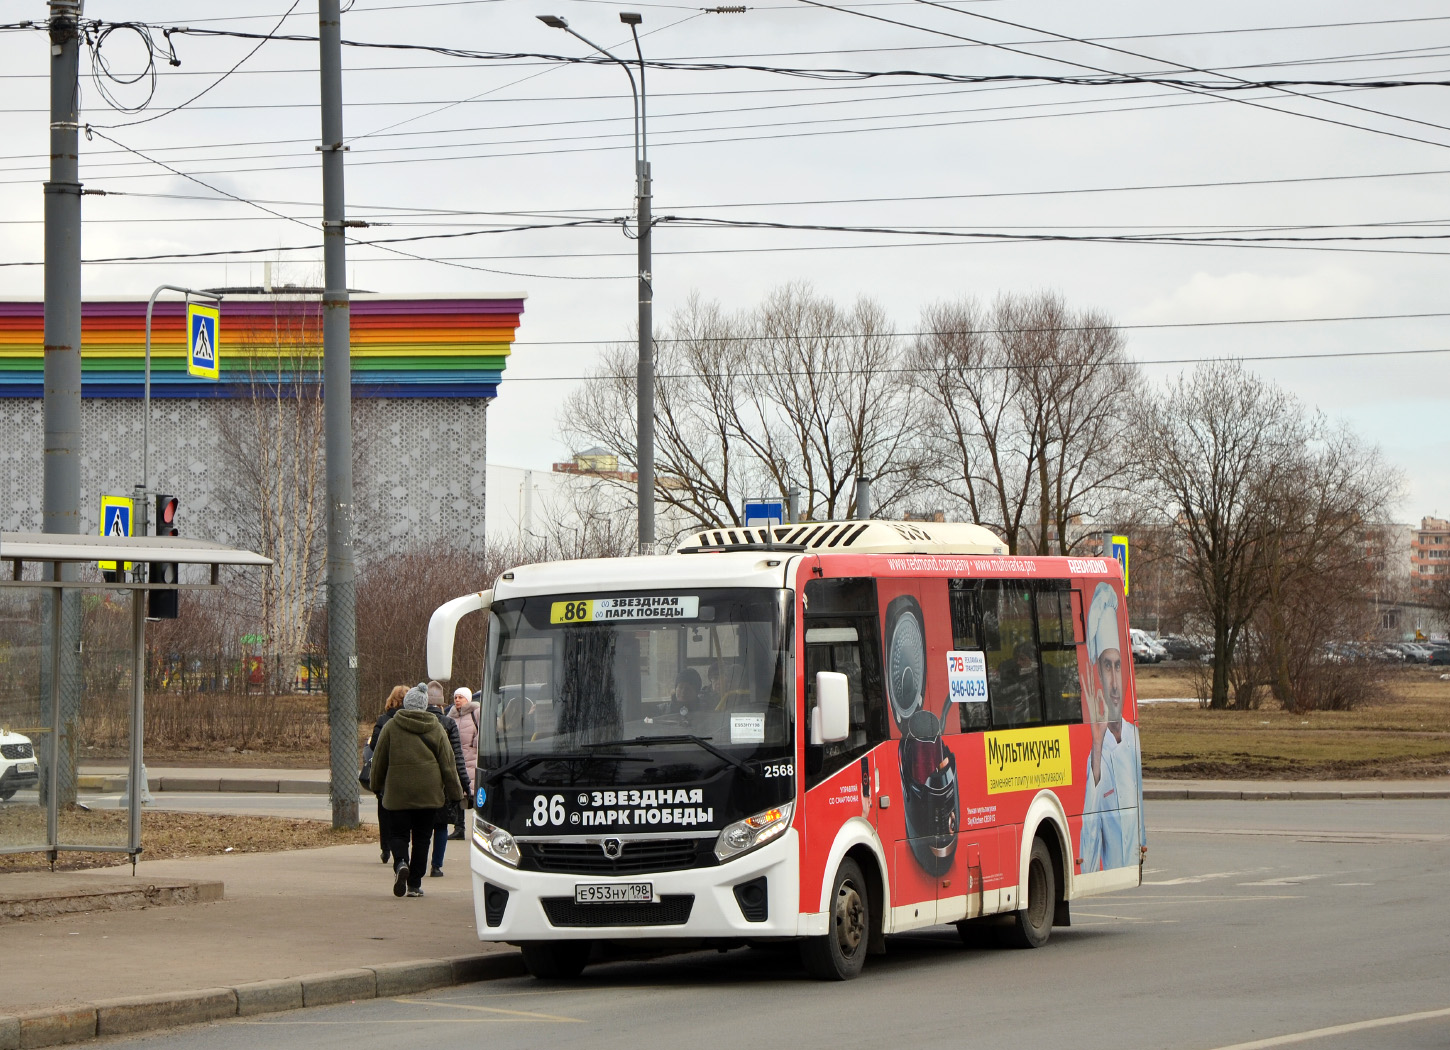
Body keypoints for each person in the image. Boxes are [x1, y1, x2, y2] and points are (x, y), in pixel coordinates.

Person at [369, 682, 464, 898]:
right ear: (424, 706)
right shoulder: (437, 728)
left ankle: (401, 862)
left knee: (398, 834)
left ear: (406, 704)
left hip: (397, 793)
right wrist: (456, 794)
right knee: (422, 838)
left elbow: (379, 761)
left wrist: (376, 785)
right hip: (428, 794)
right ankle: (414, 883)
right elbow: (448, 764)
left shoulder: (391, 727)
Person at [1079, 582, 1143, 873]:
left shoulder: (1132, 736)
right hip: (1114, 886)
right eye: (1107, 666)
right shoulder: (1096, 755)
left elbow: (1138, 799)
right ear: (1099, 676)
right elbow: (1088, 850)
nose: (1115, 683)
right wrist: (1095, 743)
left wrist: (1144, 840)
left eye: (1118, 666)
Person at [425, 680, 470, 876]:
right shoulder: (448, 723)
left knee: (422, 827)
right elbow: (457, 757)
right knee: (441, 825)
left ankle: (416, 863)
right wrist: (465, 783)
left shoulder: (418, 721)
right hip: (442, 783)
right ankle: (437, 866)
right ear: (442, 704)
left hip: (421, 781)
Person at [367, 685, 408, 865]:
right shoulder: (410, 719)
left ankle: (386, 848)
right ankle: (403, 848)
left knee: (384, 811)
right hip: (405, 772)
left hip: (386, 772)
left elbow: (374, 744)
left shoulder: (383, 719)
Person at [447, 686, 480, 840]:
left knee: (476, 796)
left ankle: (481, 828)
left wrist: (476, 742)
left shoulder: (476, 712)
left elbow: (484, 730)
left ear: (468, 699)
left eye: (461, 697)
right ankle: (459, 827)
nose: (457, 700)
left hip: (473, 759)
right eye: (456, 697)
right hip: (457, 761)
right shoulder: (451, 716)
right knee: (458, 794)